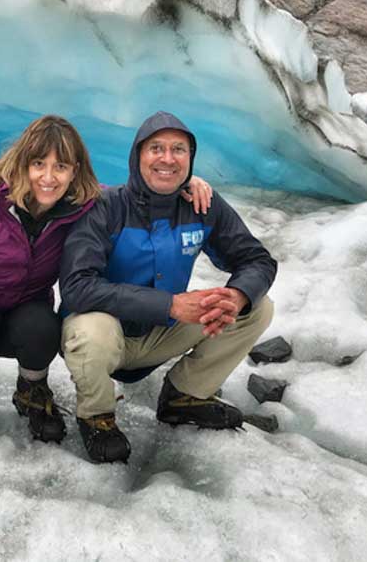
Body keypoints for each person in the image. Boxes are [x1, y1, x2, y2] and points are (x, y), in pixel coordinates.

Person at [0, 115, 213, 442]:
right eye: (39, 164)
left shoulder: (84, 207)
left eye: (61, 167)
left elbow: (135, 196)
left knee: (43, 327)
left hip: (23, 315)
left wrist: (181, 185)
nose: (48, 178)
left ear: (74, 171)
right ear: (22, 163)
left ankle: (32, 389)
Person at [59, 111, 277, 463]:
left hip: (163, 333)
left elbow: (257, 260)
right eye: (156, 148)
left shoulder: (202, 205)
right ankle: (96, 414)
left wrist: (237, 296)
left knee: (257, 306)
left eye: (179, 149)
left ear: (190, 160)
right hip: (106, 336)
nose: (167, 158)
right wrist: (170, 305)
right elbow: (76, 288)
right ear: (137, 156)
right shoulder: (104, 207)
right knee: (90, 328)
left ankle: (185, 396)